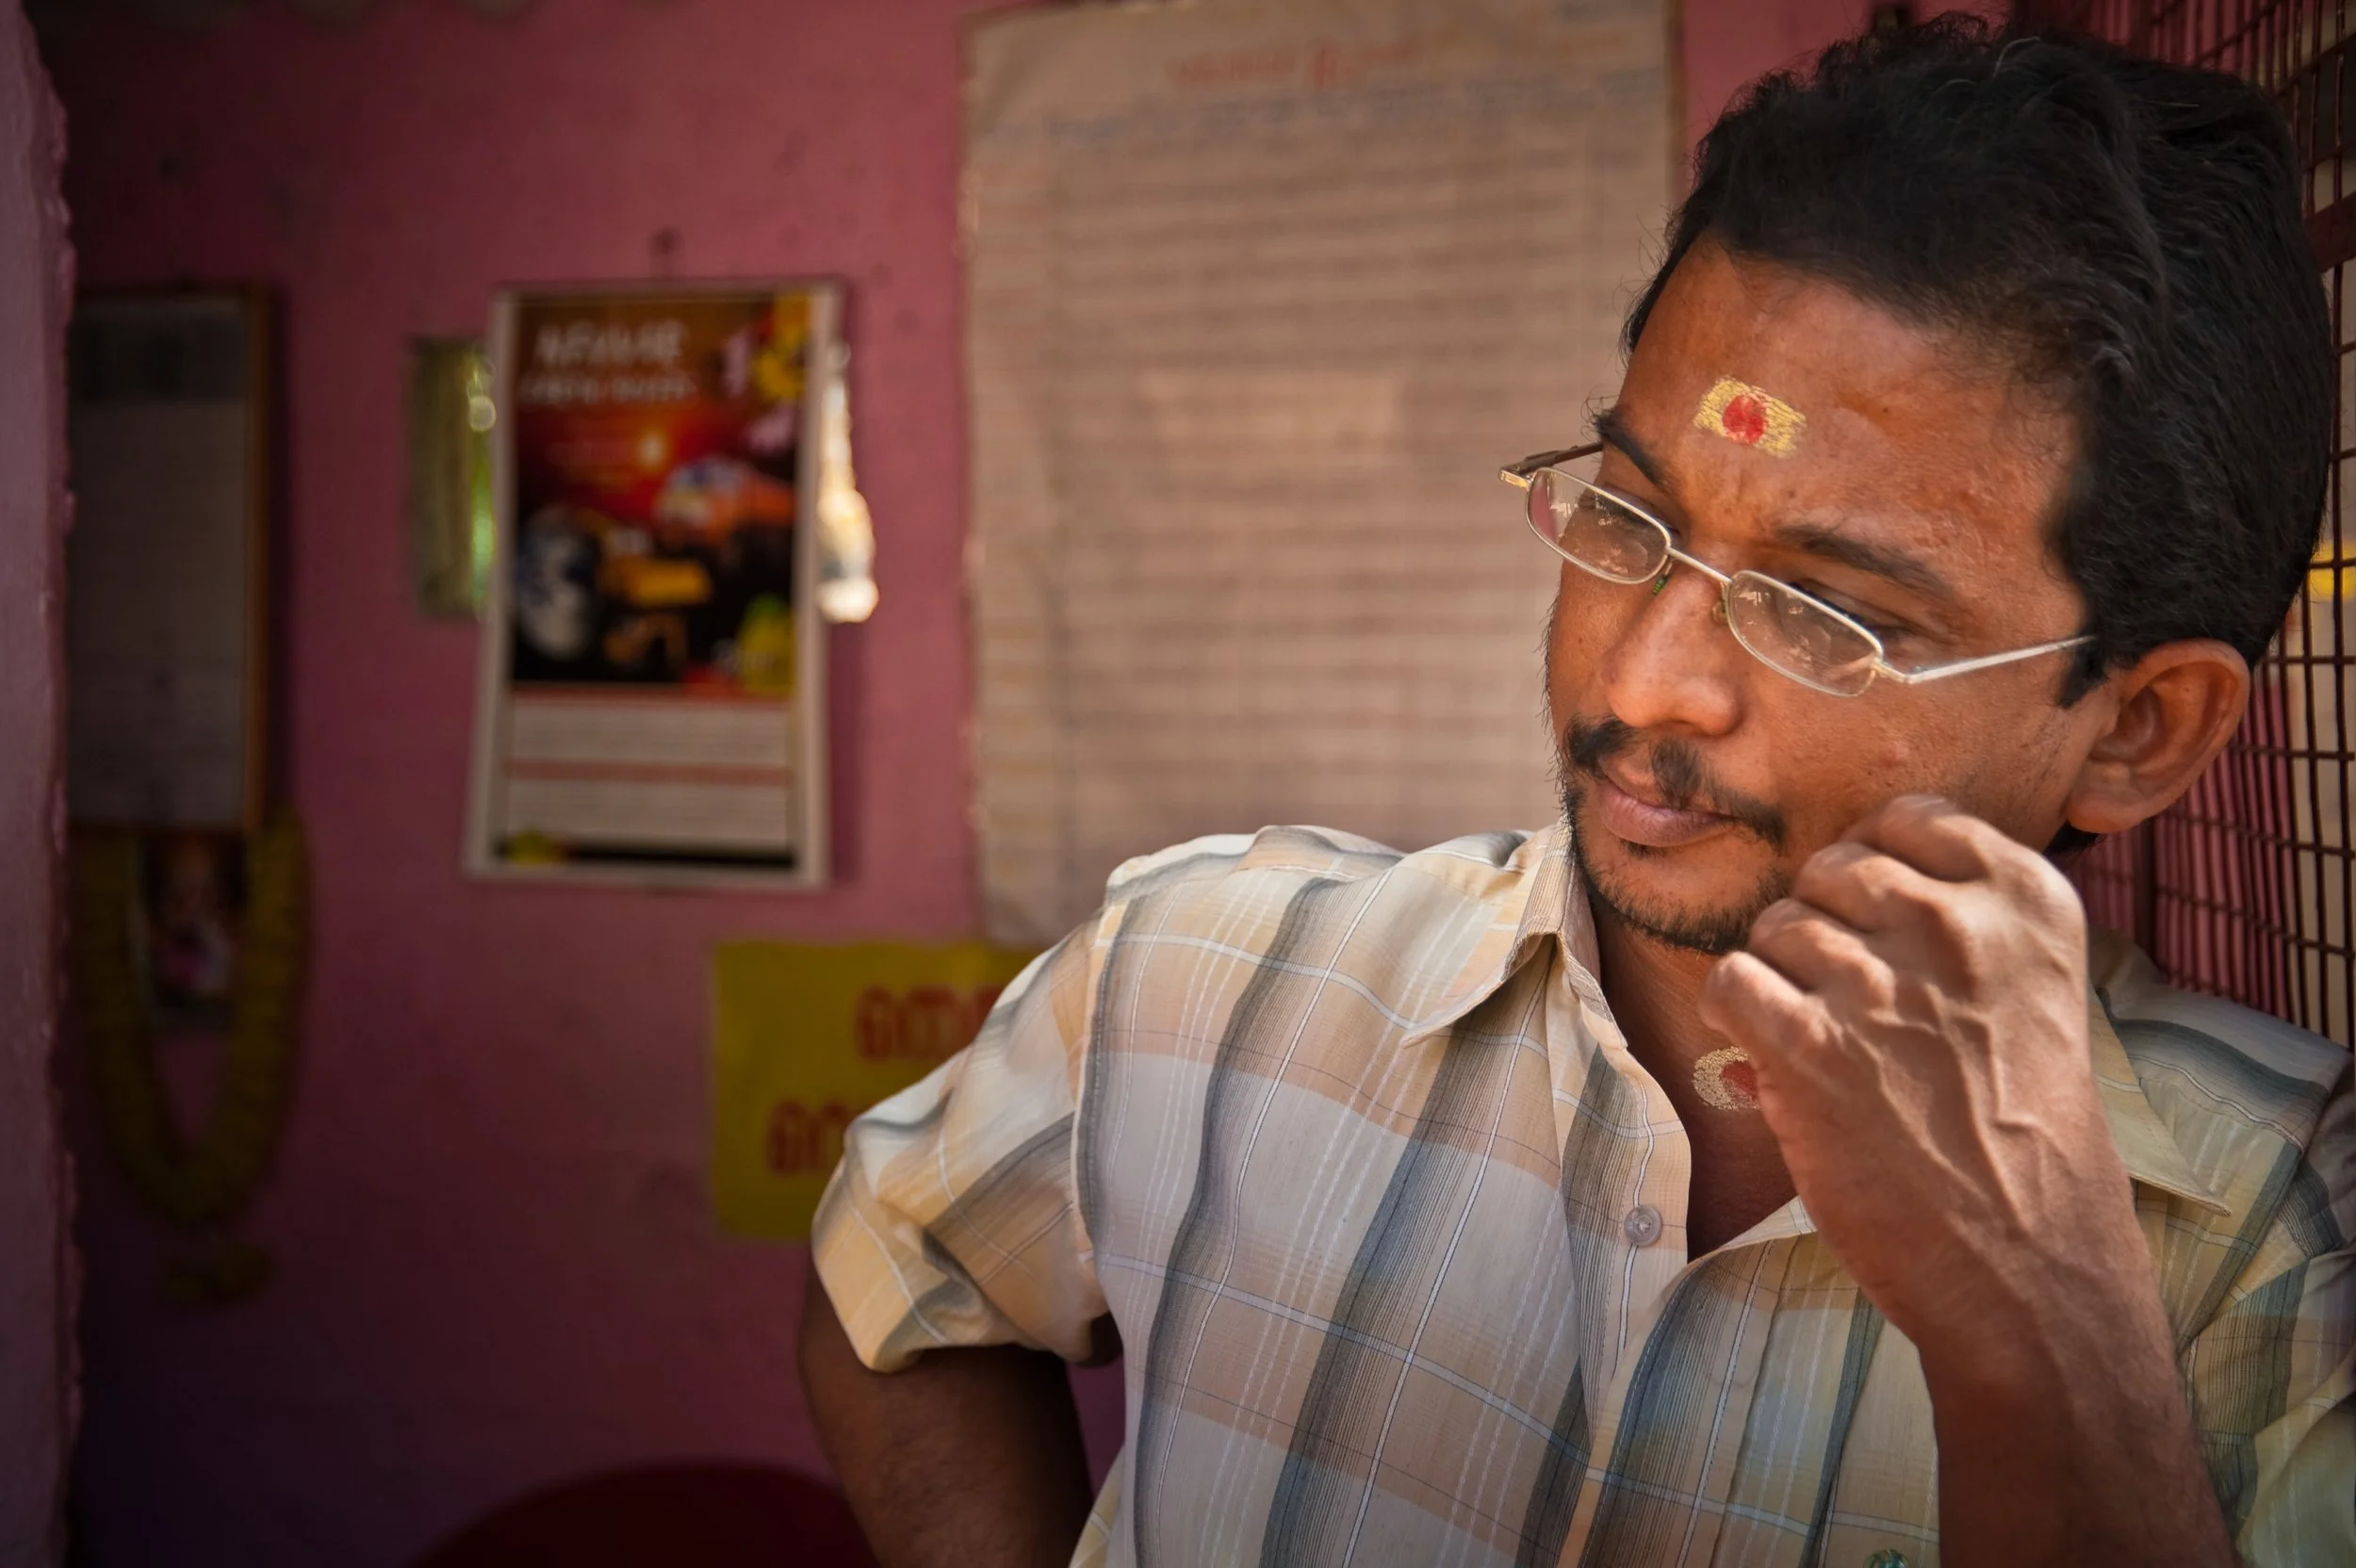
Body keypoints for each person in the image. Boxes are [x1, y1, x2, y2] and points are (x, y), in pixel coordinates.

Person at [801, 20, 2354, 1567]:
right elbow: (898, 1281)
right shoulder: (1202, 985)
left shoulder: (2295, 1248)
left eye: (1831, 613)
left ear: (2140, 729)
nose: (1645, 683)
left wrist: (2047, 1316)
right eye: (1630, 515)